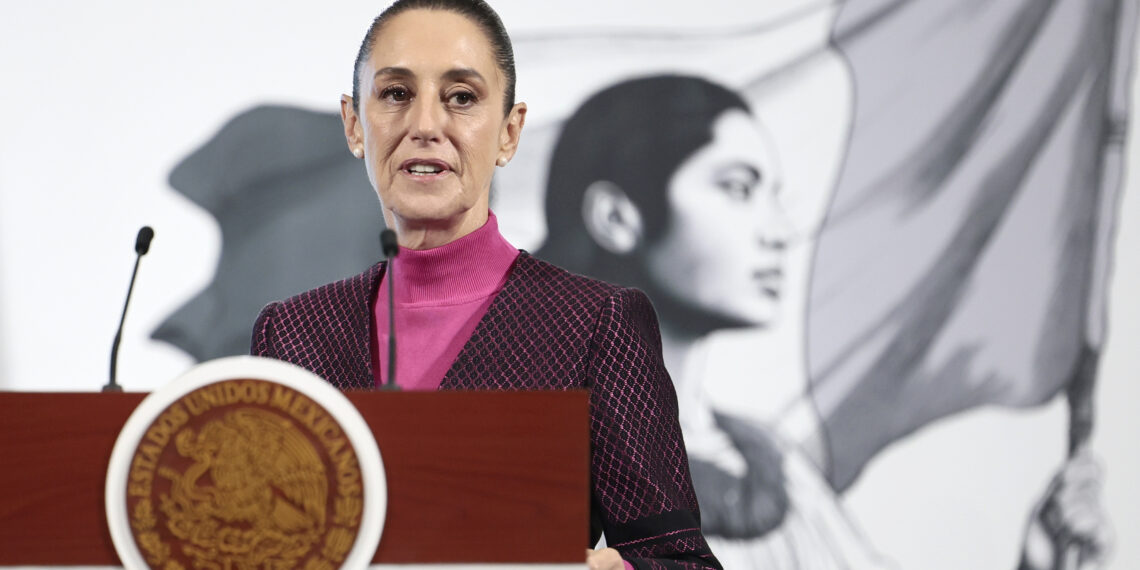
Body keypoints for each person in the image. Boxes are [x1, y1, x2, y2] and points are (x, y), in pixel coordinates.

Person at [536, 74, 1113, 570]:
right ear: (616, 217)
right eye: (738, 188)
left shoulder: (772, 467)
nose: (780, 230)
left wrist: (1039, 560)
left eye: (774, 196)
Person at [249, 2, 722, 569]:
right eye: (396, 93)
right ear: (354, 125)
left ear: (508, 132)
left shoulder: (595, 323)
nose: (425, 125)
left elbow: (680, 562)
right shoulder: (293, 335)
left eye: (462, 98)